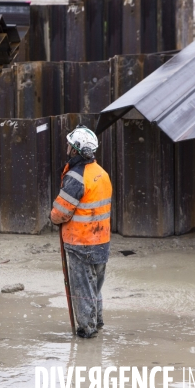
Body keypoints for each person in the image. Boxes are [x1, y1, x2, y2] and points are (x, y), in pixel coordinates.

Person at [50, 125, 112, 338]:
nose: (66, 147)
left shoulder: (77, 177)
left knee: (82, 289)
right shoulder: (101, 173)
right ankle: (98, 322)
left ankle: (87, 330)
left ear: (75, 150)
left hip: (81, 242)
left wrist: (53, 216)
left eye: (69, 144)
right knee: (94, 285)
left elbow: (60, 212)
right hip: (101, 240)